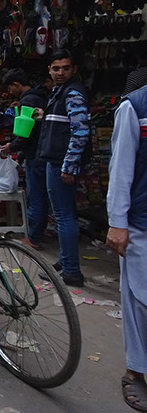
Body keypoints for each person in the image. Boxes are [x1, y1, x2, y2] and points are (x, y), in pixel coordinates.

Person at [106, 84, 147, 412]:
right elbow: (120, 168)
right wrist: (118, 222)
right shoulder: (135, 107)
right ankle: (135, 370)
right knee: (138, 298)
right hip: (140, 221)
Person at [35, 49, 90, 287]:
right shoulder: (60, 92)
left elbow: (81, 132)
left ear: (73, 69)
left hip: (61, 163)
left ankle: (71, 271)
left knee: (64, 216)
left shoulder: (73, 93)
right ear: (49, 70)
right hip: (57, 160)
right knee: (63, 214)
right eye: (56, 68)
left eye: (65, 68)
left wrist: (69, 165)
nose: (60, 73)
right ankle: (66, 261)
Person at [0, 69, 49, 250]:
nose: (10, 91)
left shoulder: (28, 101)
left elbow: (27, 132)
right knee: (42, 195)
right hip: (42, 151)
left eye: (10, 87)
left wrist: (12, 147)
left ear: (16, 84)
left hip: (35, 154)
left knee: (36, 196)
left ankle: (34, 238)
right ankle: (39, 232)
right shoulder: (42, 98)